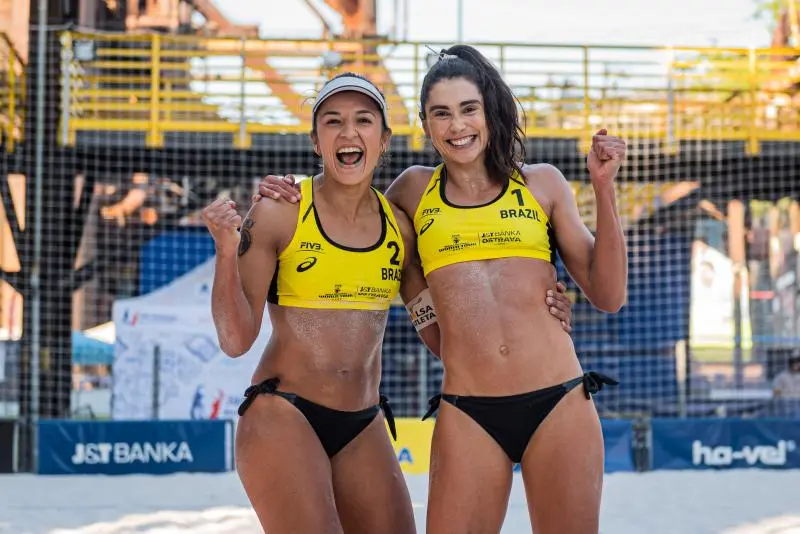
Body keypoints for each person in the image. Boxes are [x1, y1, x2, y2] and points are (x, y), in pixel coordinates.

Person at [258, 45, 627, 534]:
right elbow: (345, 209)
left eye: (468, 109)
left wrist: (603, 187)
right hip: (468, 410)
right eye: (441, 113)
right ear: (425, 125)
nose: (457, 126)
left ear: (489, 112)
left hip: (558, 401)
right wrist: (289, 191)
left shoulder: (542, 184)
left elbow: (609, 295)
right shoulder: (411, 193)